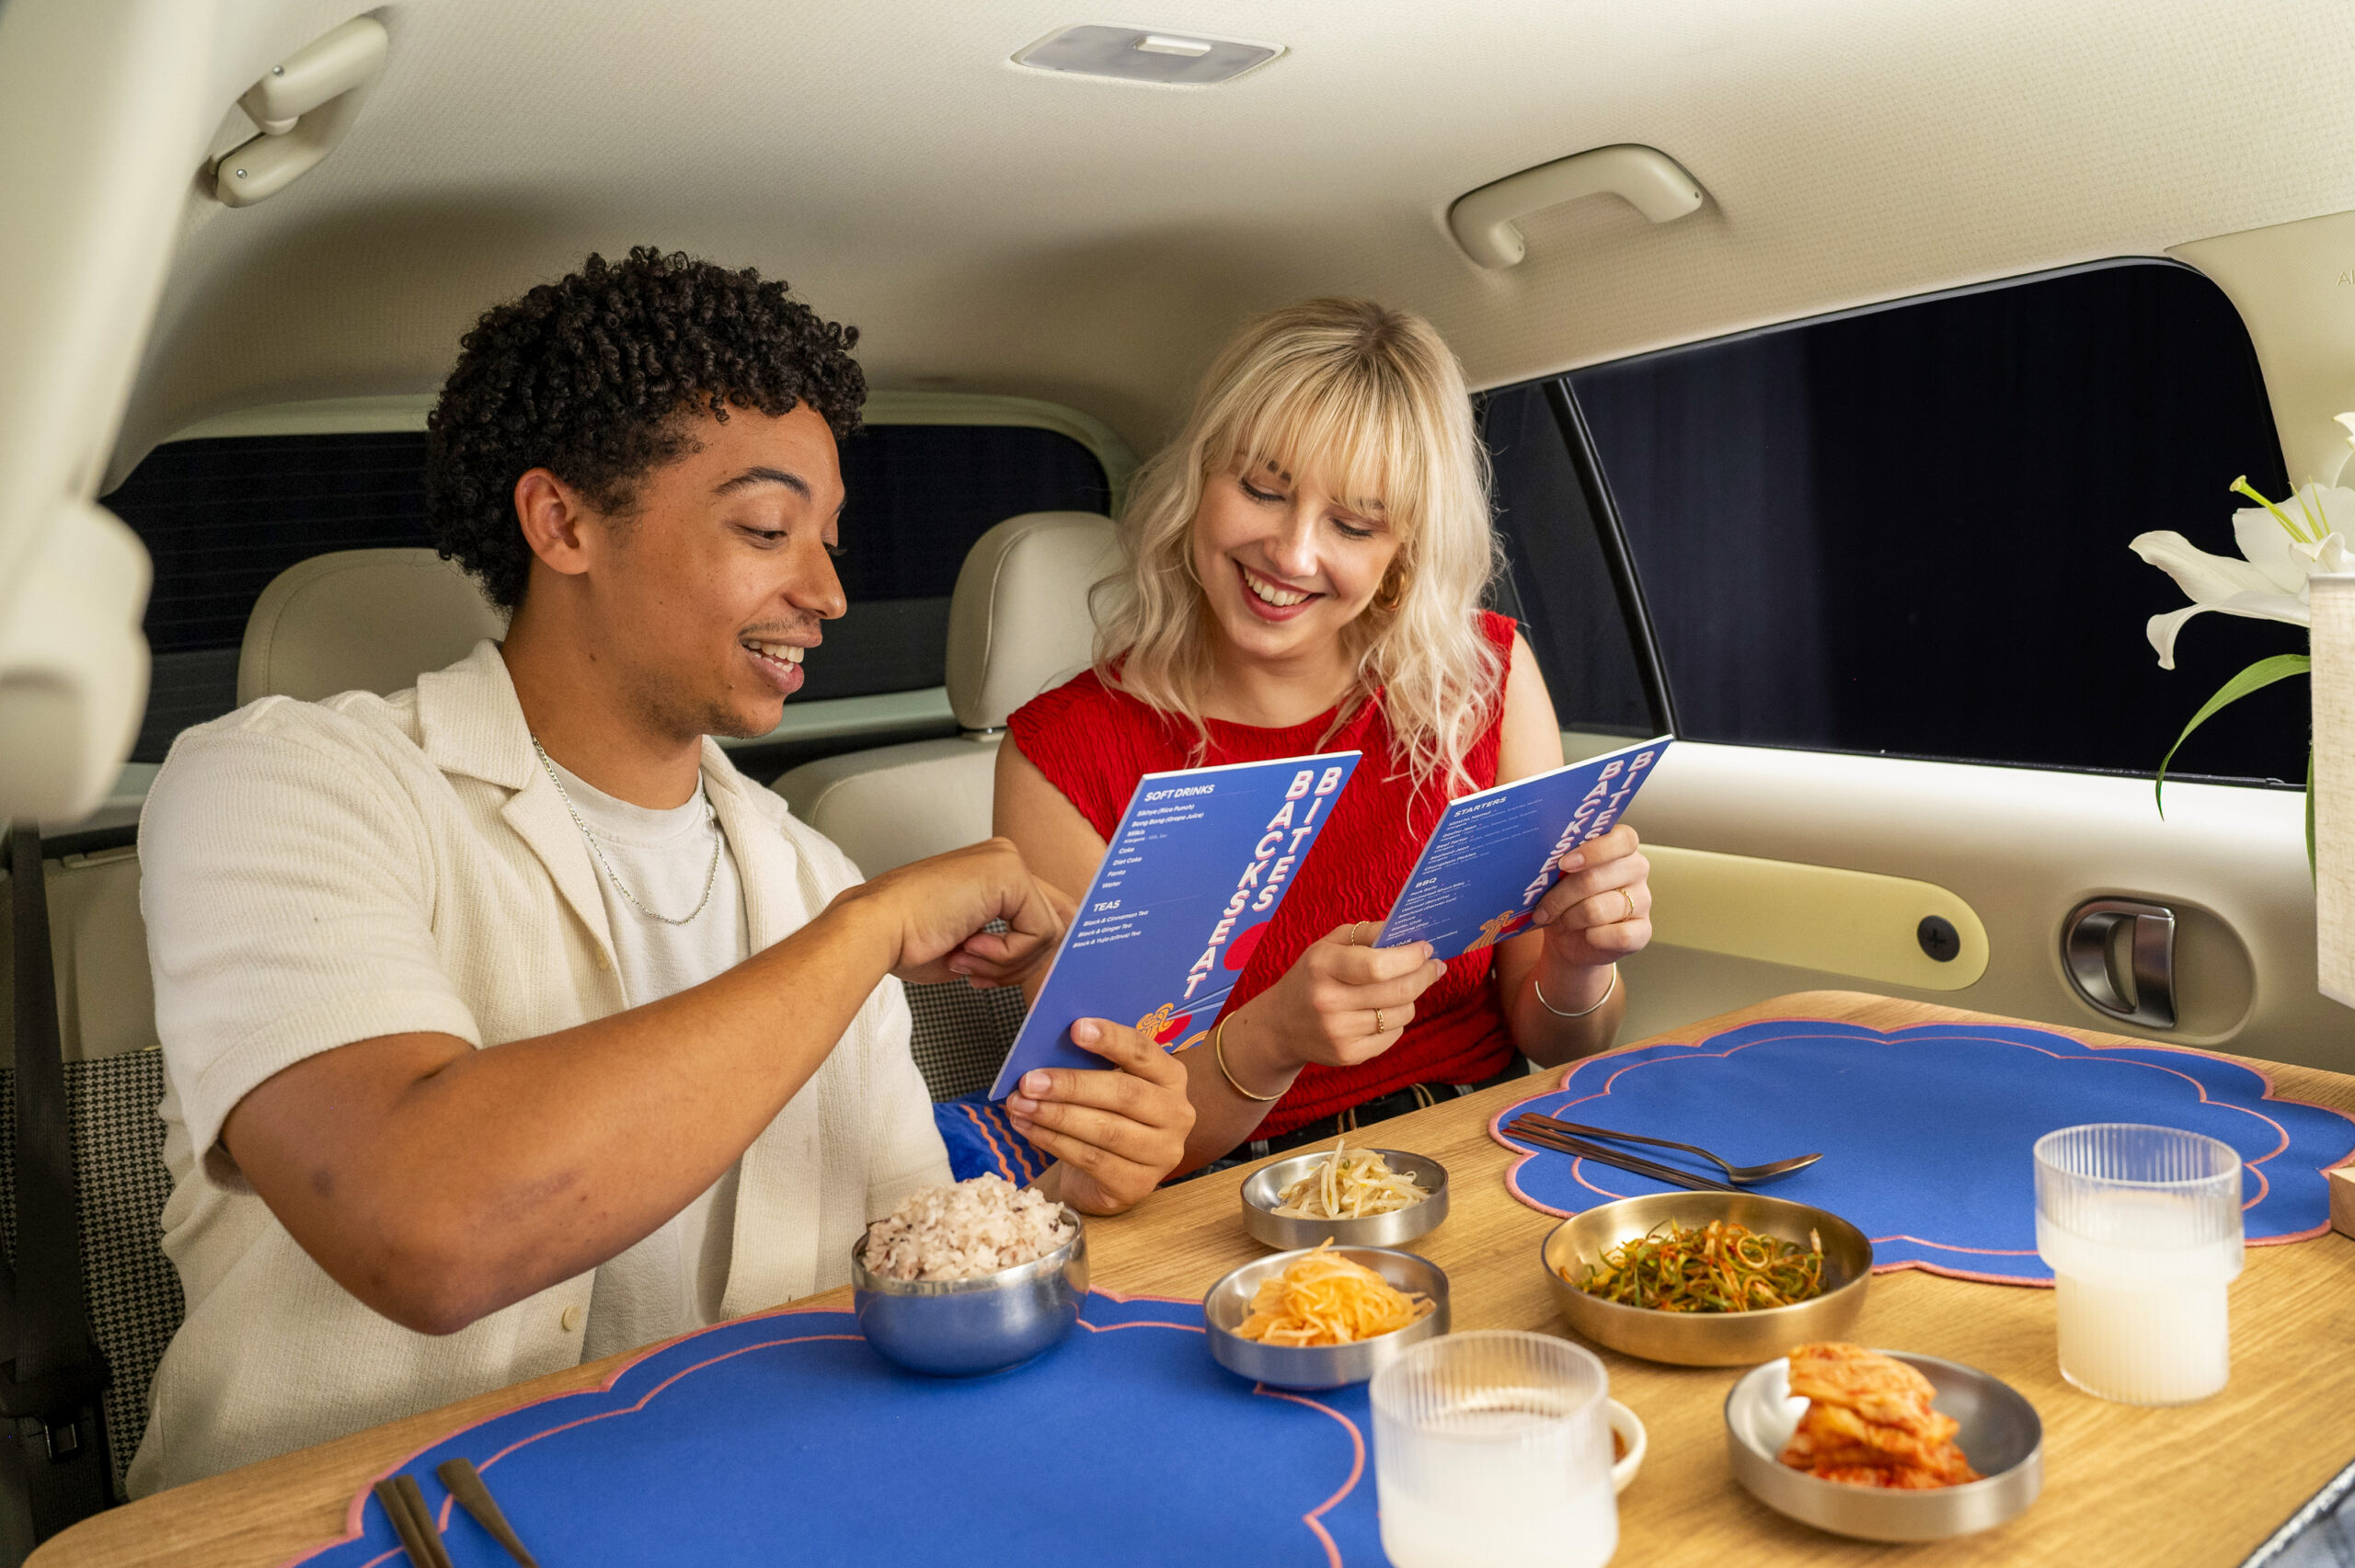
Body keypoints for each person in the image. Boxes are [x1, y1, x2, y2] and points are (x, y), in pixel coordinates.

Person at [130, 248, 1191, 1494]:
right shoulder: (280, 786)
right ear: (563, 521)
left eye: (830, 540)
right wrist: (864, 934)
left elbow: (906, 1255)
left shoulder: (801, 869)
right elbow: (427, 1231)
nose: (830, 590)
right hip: (348, 1524)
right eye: (764, 528)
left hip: (729, 1504)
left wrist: (1059, 1195)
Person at [994, 298, 1653, 1173]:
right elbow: (1108, 1144)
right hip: (1226, 1192)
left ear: (1401, 552)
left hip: (1480, 1151)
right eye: (1262, 490)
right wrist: (1272, 1037)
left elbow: (1560, 1044)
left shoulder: (1481, 679)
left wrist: (1576, 964)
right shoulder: (1064, 754)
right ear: (1199, 481)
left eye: (1352, 524)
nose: (1294, 554)